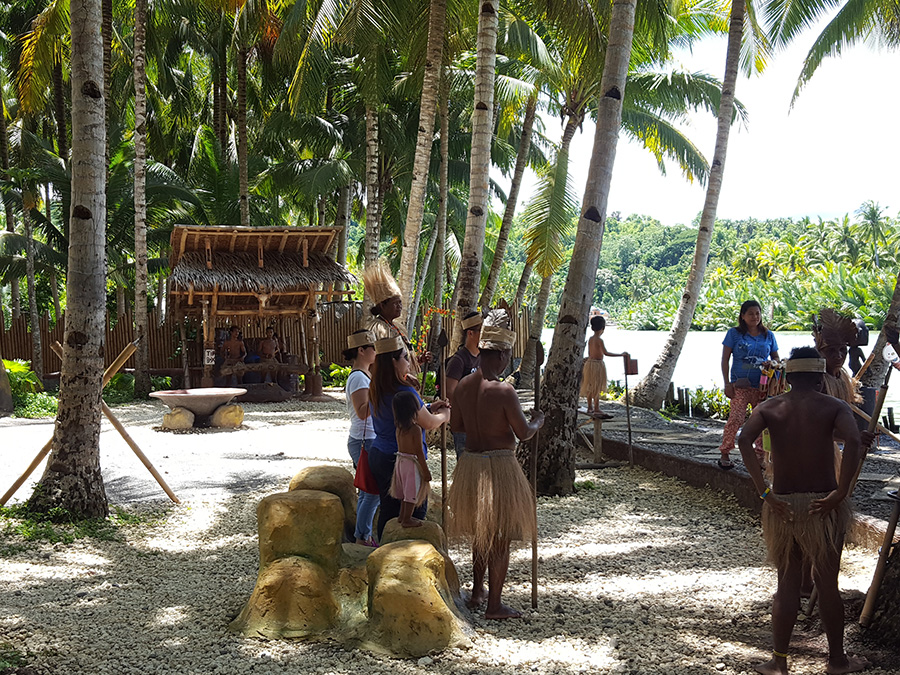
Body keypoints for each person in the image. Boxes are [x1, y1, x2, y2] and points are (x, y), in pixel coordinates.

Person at [737, 347, 868, 675]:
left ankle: (779, 662)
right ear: (821, 378)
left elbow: (743, 440)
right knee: (827, 585)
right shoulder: (834, 406)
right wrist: (842, 491)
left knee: (787, 584)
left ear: (789, 377)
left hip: (781, 504)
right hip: (825, 505)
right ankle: (836, 660)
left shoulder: (771, 407)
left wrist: (763, 490)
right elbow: (853, 440)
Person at [447, 309, 543, 620]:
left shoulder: (462, 386)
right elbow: (523, 433)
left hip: (471, 465)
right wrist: (538, 421)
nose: (508, 362)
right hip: (499, 467)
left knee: (481, 532)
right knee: (500, 536)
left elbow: (457, 427)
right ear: (500, 355)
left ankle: (477, 592)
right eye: (508, 356)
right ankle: (494, 605)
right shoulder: (504, 391)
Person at [367, 335, 450, 539]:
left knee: (388, 510)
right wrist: (444, 415)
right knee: (414, 509)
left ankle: (384, 550)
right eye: (405, 357)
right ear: (394, 362)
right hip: (403, 457)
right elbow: (428, 423)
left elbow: (400, 412)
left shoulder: (375, 388)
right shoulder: (404, 391)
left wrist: (428, 406)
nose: (409, 362)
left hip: (379, 453)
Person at [718, 300, 780, 470]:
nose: (755, 317)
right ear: (743, 316)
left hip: (763, 387)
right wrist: (727, 384)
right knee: (736, 418)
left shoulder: (768, 336)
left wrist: (772, 365)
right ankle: (725, 452)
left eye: (758, 313)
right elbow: (724, 360)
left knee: (761, 421)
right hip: (740, 385)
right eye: (751, 313)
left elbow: (776, 359)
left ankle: (760, 455)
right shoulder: (734, 334)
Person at [361, 260, 429, 388]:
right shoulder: (377, 329)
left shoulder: (397, 327)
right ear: (382, 305)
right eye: (395, 303)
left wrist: (418, 360)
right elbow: (381, 363)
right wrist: (403, 376)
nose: (400, 306)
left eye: (400, 303)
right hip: (389, 386)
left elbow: (401, 358)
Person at [343, 329, 379, 546]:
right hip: (364, 440)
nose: (376, 351)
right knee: (371, 491)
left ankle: (363, 534)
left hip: (366, 439)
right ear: (361, 350)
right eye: (372, 347)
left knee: (368, 491)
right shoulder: (358, 378)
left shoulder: (365, 376)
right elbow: (363, 411)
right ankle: (362, 537)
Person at [390, 390, 432, 527]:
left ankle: (402, 516)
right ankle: (407, 519)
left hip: (400, 462)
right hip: (411, 464)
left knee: (404, 491)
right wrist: (425, 471)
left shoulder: (399, 428)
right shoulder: (415, 429)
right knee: (412, 492)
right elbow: (419, 452)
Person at [447, 311, 482, 457]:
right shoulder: (458, 360)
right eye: (482, 331)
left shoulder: (483, 357)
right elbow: (450, 391)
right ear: (470, 333)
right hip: (463, 423)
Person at [580, 315, 627, 415]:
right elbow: (606, 353)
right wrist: (621, 355)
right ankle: (596, 408)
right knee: (596, 387)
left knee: (590, 386)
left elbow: (589, 354)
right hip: (597, 365)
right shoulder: (599, 340)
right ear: (603, 328)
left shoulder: (591, 339)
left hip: (590, 364)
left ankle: (589, 407)